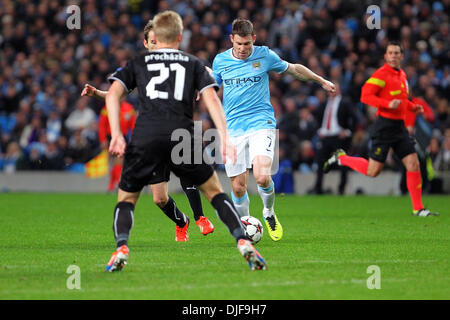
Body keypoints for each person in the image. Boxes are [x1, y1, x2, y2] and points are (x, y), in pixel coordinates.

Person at [104, 11, 266, 272]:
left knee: (127, 199)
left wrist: (117, 134)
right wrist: (224, 136)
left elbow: (113, 95)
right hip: (182, 136)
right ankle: (243, 242)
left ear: (155, 37)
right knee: (215, 193)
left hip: (146, 136)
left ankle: (121, 247)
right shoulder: (193, 63)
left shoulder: (138, 62)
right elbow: (212, 99)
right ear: (180, 37)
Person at [82, 20, 215, 237]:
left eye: (160, 39)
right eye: (153, 41)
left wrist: (205, 82)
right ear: (146, 43)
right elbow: (116, 94)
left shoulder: (179, 61)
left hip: (180, 129)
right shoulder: (142, 68)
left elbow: (206, 70)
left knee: (187, 166)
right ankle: (182, 221)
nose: (158, 44)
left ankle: (200, 217)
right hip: (152, 133)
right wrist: (97, 93)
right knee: (159, 198)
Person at [211, 18, 336, 241]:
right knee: (238, 187)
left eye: (247, 44)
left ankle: (268, 212)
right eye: (239, 44)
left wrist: (321, 81)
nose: (242, 49)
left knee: (261, 176)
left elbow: (294, 69)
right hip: (233, 128)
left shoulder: (265, 55)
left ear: (254, 39)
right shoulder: (220, 61)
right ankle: (245, 227)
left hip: (262, 123)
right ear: (231, 39)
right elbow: (211, 87)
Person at [324, 41, 439, 217]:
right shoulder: (381, 74)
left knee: (413, 163)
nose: (393, 56)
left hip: (399, 127)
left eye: (396, 53)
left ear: (401, 56)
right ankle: (342, 158)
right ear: (386, 56)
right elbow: (365, 96)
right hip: (384, 127)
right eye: (390, 53)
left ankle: (418, 209)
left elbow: (400, 100)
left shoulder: (402, 75)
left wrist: (411, 107)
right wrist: (387, 104)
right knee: (373, 171)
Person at [311, 83, 358, 195]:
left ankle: (341, 189)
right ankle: (318, 189)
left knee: (342, 163)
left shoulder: (345, 102)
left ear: (339, 90)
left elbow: (355, 118)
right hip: (326, 136)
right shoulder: (324, 103)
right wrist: (320, 130)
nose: (331, 91)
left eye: (334, 88)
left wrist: (347, 131)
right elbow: (317, 118)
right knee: (320, 162)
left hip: (338, 137)